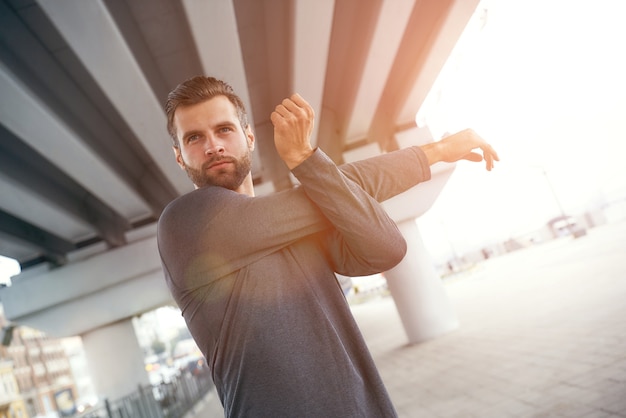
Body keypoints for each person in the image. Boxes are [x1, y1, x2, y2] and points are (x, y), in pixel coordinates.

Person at [157, 76, 499, 417]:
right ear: (179, 157)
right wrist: (433, 152)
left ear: (248, 136)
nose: (213, 146)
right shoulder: (184, 225)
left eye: (224, 130)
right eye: (194, 138)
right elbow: (331, 195)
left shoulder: (294, 228)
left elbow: (388, 248)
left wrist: (311, 163)